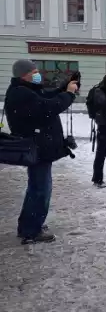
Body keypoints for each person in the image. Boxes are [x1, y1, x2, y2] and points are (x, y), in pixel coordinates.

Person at [4, 59, 78, 244]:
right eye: (34, 71)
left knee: (36, 187)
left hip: (38, 146)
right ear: (24, 74)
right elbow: (48, 107)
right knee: (40, 189)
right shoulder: (22, 93)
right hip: (37, 147)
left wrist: (62, 88)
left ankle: (30, 223)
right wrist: (68, 95)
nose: (38, 74)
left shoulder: (25, 90)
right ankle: (31, 230)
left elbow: (46, 95)